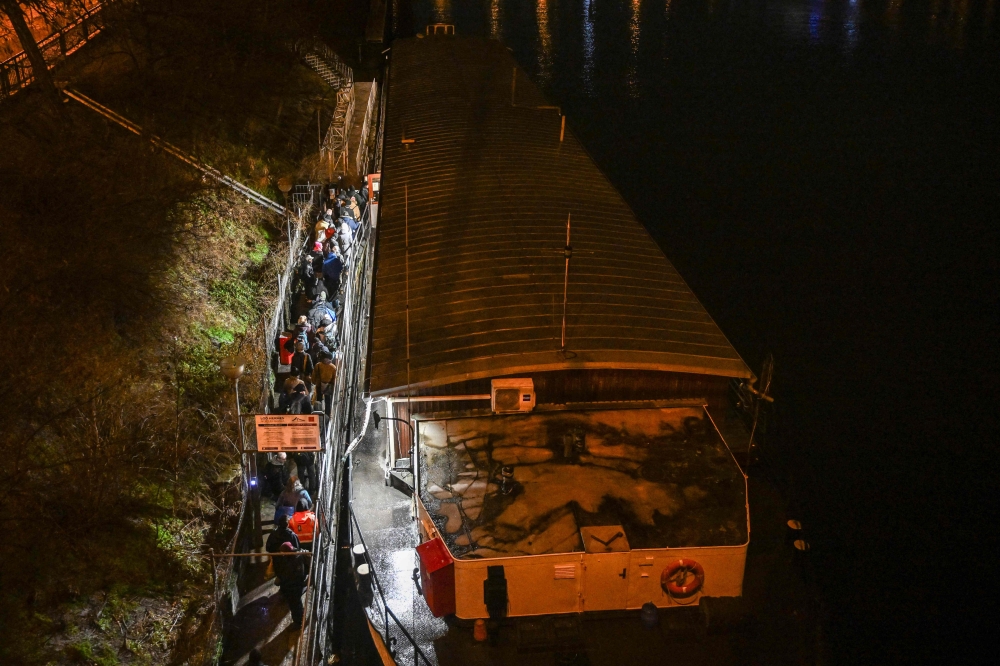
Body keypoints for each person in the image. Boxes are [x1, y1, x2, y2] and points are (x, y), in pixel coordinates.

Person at [273, 542, 307, 628]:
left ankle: (298, 622)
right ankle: (301, 618)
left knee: (294, 604)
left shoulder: (292, 560)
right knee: (297, 603)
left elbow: (289, 574)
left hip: (294, 586)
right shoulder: (296, 555)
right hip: (296, 584)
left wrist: (281, 579)